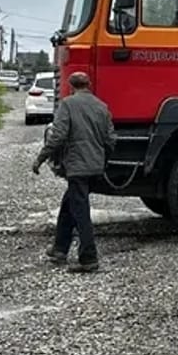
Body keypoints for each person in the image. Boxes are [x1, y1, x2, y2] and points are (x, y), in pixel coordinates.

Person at [32, 71, 116, 274]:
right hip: (95, 167)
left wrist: (41, 158)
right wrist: (102, 160)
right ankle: (59, 249)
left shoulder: (68, 104)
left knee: (81, 213)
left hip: (78, 167)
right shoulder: (101, 106)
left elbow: (58, 136)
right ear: (89, 85)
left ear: (71, 86)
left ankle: (89, 258)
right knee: (69, 205)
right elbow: (110, 139)